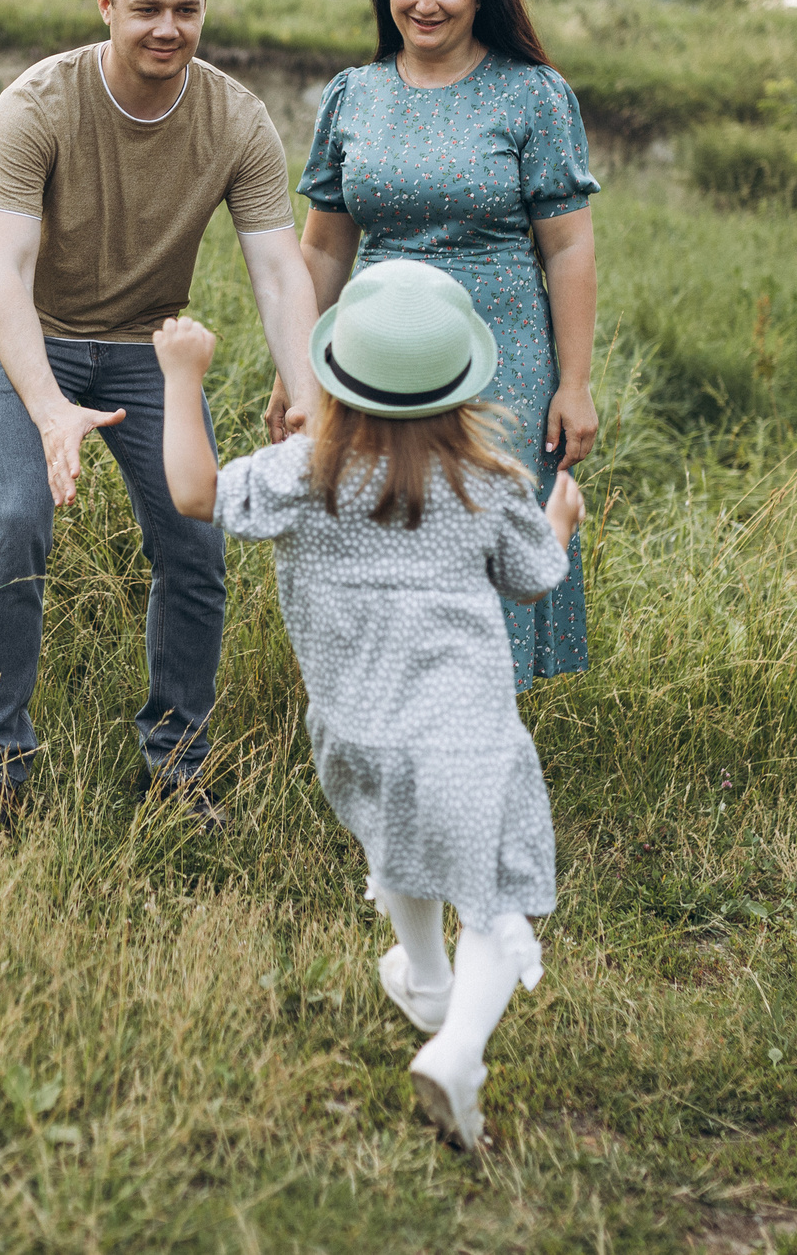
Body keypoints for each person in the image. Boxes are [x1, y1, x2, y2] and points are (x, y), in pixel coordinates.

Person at [155, 261, 583, 1149]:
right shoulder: (487, 479)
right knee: (497, 891)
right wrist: (561, 523)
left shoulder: (302, 472)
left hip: (355, 728)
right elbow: (538, 581)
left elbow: (194, 494)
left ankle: (428, 985)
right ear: (462, 386)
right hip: (464, 726)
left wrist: (181, 377)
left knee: (405, 842)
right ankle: (458, 1049)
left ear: (337, 376)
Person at [0, 0, 324, 846]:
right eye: (148, 8)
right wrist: (50, 412)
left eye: (187, 9)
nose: (169, 27)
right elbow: (3, 272)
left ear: (205, 9)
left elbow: (280, 273)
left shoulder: (237, 119)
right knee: (18, 520)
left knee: (196, 541)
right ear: (107, 3)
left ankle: (175, 767)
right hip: (27, 332)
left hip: (146, 346)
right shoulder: (36, 102)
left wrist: (310, 395)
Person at [269, 0, 598, 689]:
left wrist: (575, 383)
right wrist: (293, 370)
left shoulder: (533, 95)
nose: (426, 2)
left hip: (501, 356)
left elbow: (569, 245)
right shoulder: (354, 94)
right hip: (373, 355)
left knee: (481, 531)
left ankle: (479, 728)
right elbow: (322, 245)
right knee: (378, 524)